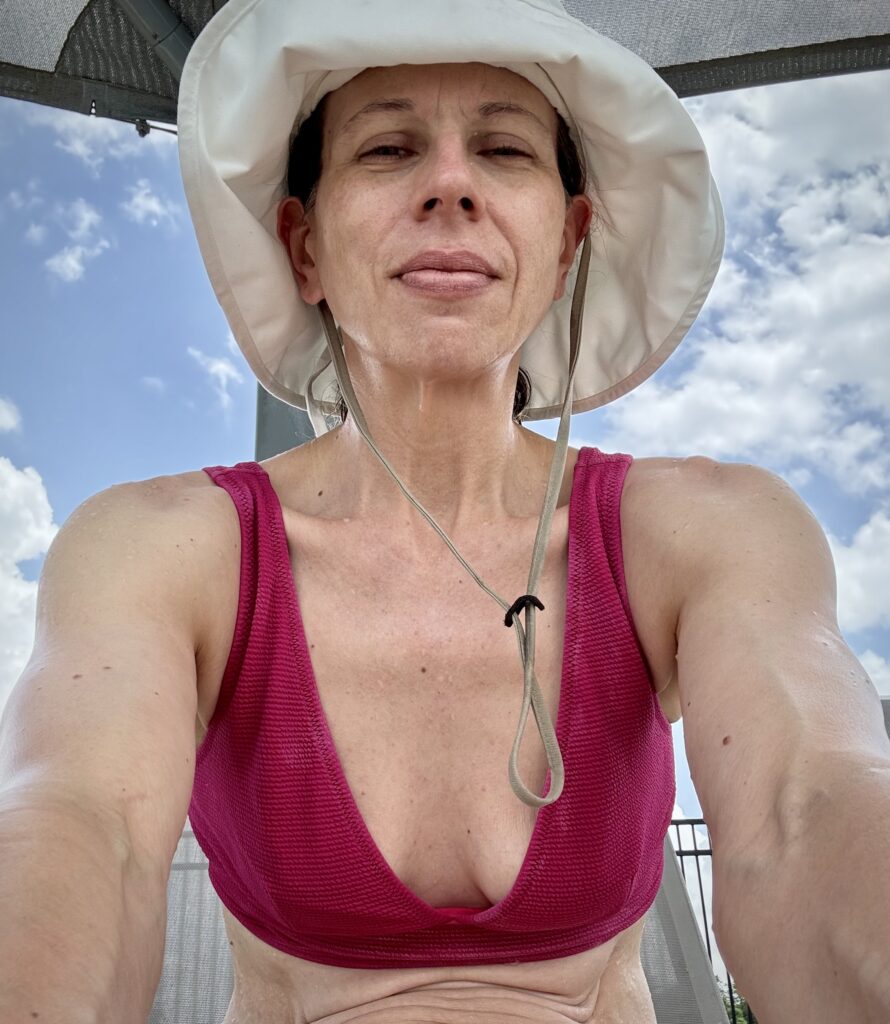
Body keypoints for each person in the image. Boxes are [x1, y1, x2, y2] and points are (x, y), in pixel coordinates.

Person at [1, 0, 889, 1022]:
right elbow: (81, 825)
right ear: (303, 247)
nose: (451, 185)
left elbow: (805, 808)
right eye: (388, 148)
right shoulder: (159, 550)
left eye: (504, 150)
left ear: (568, 242)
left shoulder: (706, 530)